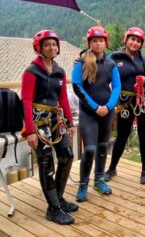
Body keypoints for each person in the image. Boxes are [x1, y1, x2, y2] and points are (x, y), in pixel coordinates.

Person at [21, 30, 78, 225]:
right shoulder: (31, 71)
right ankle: (53, 209)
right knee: (46, 164)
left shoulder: (59, 71)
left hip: (56, 120)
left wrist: (70, 122)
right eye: (47, 45)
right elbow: (26, 101)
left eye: (54, 44)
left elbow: (62, 98)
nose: (51, 48)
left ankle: (59, 199)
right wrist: (29, 131)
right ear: (39, 47)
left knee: (67, 156)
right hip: (39, 122)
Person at [72, 26, 121, 202]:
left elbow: (116, 87)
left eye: (101, 40)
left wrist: (108, 107)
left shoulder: (110, 64)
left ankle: (99, 180)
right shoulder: (82, 62)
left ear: (105, 42)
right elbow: (77, 86)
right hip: (89, 112)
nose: (98, 43)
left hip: (107, 111)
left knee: (102, 147)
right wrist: (95, 107)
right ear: (89, 43)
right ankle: (83, 184)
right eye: (94, 41)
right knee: (90, 149)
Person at [104, 27, 145, 184]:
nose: (135, 43)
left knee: (144, 135)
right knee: (122, 135)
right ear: (126, 40)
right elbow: (99, 66)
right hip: (126, 102)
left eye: (138, 41)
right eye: (132, 39)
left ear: (141, 44)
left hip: (143, 101)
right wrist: (82, 61)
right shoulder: (113, 58)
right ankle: (112, 168)